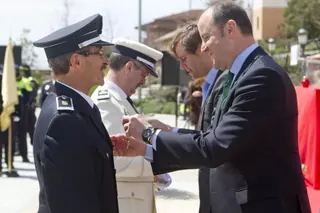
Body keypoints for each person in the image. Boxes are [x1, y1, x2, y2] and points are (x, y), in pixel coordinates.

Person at [111, 2, 311, 213]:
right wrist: (154, 144)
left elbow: (217, 146)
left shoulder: (261, 77)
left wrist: (151, 134)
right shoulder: (239, 74)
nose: (203, 47)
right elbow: (211, 137)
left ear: (230, 29)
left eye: (206, 37)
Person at [33, 14, 119, 213]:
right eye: (99, 53)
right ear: (76, 62)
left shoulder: (76, 107)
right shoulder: (65, 120)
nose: (106, 60)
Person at [150, 22, 226, 213]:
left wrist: (152, 136)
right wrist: (170, 131)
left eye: (184, 59)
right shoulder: (209, 84)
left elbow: (214, 144)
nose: (183, 67)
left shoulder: (226, 83)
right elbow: (204, 138)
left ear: (202, 50)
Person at [91, 38, 170, 213]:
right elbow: (112, 159)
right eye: (143, 74)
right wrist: (157, 162)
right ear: (128, 67)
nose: (144, 82)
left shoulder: (119, 100)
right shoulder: (107, 101)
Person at [16, 66, 33, 162]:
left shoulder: (26, 81)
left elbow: (30, 95)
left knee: (22, 133)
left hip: (23, 110)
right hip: (10, 110)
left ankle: (24, 155)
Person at [20, 64, 39, 145]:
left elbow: (32, 93)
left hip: (29, 108)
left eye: (22, 71)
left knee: (31, 127)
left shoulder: (31, 80)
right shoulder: (20, 80)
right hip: (22, 107)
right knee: (22, 129)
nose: (20, 73)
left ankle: (34, 143)